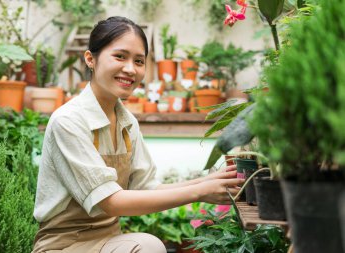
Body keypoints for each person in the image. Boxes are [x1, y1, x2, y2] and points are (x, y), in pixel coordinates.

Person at [32, 16, 243, 253]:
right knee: (149, 246)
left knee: (148, 245)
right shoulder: (68, 121)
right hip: (63, 245)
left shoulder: (127, 122)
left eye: (139, 61)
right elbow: (111, 202)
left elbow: (146, 189)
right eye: (120, 56)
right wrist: (199, 192)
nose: (130, 69)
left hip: (108, 240)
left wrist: (210, 181)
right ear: (91, 59)